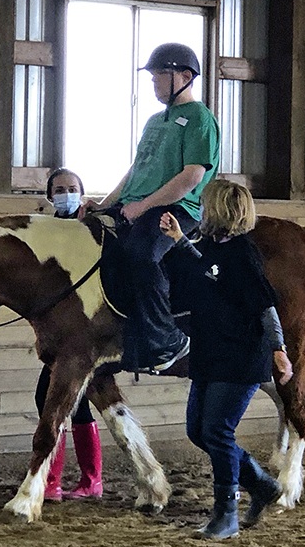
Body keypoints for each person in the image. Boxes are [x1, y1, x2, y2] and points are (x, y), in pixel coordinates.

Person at [159, 179, 294, 540]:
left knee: (217, 431)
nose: (200, 211)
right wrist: (178, 239)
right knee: (198, 431)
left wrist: (279, 351)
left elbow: (266, 308)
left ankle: (226, 514)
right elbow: (205, 268)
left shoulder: (243, 255)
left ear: (219, 210)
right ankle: (261, 485)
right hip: (210, 351)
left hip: (240, 356)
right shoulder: (213, 247)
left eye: (204, 205)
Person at [80, 42, 219, 373]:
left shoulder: (200, 118)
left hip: (176, 208)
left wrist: (143, 206)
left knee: (143, 255)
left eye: (160, 75)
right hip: (137, 205)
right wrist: (104, 205)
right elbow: (136, 169)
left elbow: (191, 176)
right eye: (154, 76)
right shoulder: (155, 121)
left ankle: (166, 338)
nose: (154, 82)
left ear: (185, 76)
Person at [38, 168, 103, 501]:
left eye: (72, 188)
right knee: (78, 402)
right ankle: (89, 479)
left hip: (84, 328)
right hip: (60, 329)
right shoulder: (45, 231)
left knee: (48, 396)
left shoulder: (92, 225)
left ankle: (53, 479)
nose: (66, 194)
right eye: (60, 189)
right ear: (50, 195)